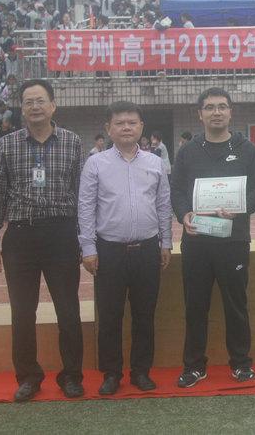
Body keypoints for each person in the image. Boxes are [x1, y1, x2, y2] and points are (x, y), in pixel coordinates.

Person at [0, 79, 85, 402]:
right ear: (22, 109)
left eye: (40, 100)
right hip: (20, 236)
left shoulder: (72, 142)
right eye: (28, 102)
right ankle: (28, 376)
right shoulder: (6, 144)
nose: (35, 107)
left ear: (53, 105)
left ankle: (72, 376)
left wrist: (85, 240)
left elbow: (82, 195)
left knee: (68, 311)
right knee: (23, 313)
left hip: (61, 235)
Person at [171, 87, 255, 388]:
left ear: (230, 112)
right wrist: (183, 214)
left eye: (222, 107)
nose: (216, 112)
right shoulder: (188, 151)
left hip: (233, 241)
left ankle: (241, 363)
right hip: (196, 241)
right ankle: (194, 365)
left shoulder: (246, 149)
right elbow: (176, 190)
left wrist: (242, 208)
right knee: (195, 306)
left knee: (236, 304)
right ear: (200, 114)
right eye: (210, 107)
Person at [78, 101, 173, 396]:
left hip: (147, 249)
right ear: (109, 129)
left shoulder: (155, 163)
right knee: (110, 316)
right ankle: (111, 373)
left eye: (132, 122)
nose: (126, 128)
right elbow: (85, 208)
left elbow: (163, 205)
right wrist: (88, 247)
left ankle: (141, 371)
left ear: (141, 127)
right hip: (109, 251)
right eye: (119, 123)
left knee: (144, 315)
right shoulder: (96, 163)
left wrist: (167, 242)